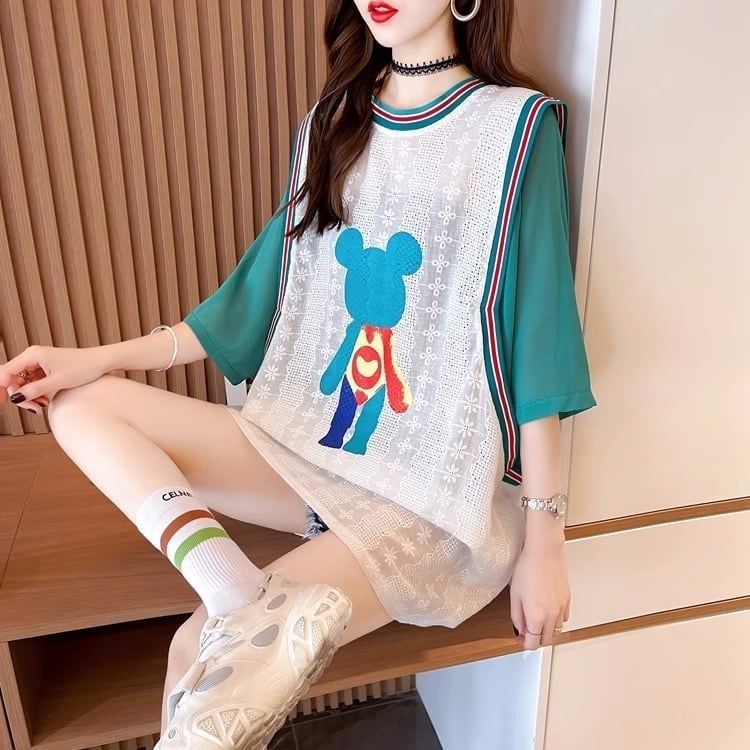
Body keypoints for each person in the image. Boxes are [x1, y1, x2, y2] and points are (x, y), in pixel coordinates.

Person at [0, 0, 596, 748]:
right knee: (79, 403)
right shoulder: (332, 124)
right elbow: (253, 296)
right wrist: (95, 357)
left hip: (430, 492)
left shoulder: (515, 128)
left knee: (195, 652)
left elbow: (538, 338)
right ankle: (231, 585)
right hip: (310, 449)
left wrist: (545, 544)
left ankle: (234, 604)